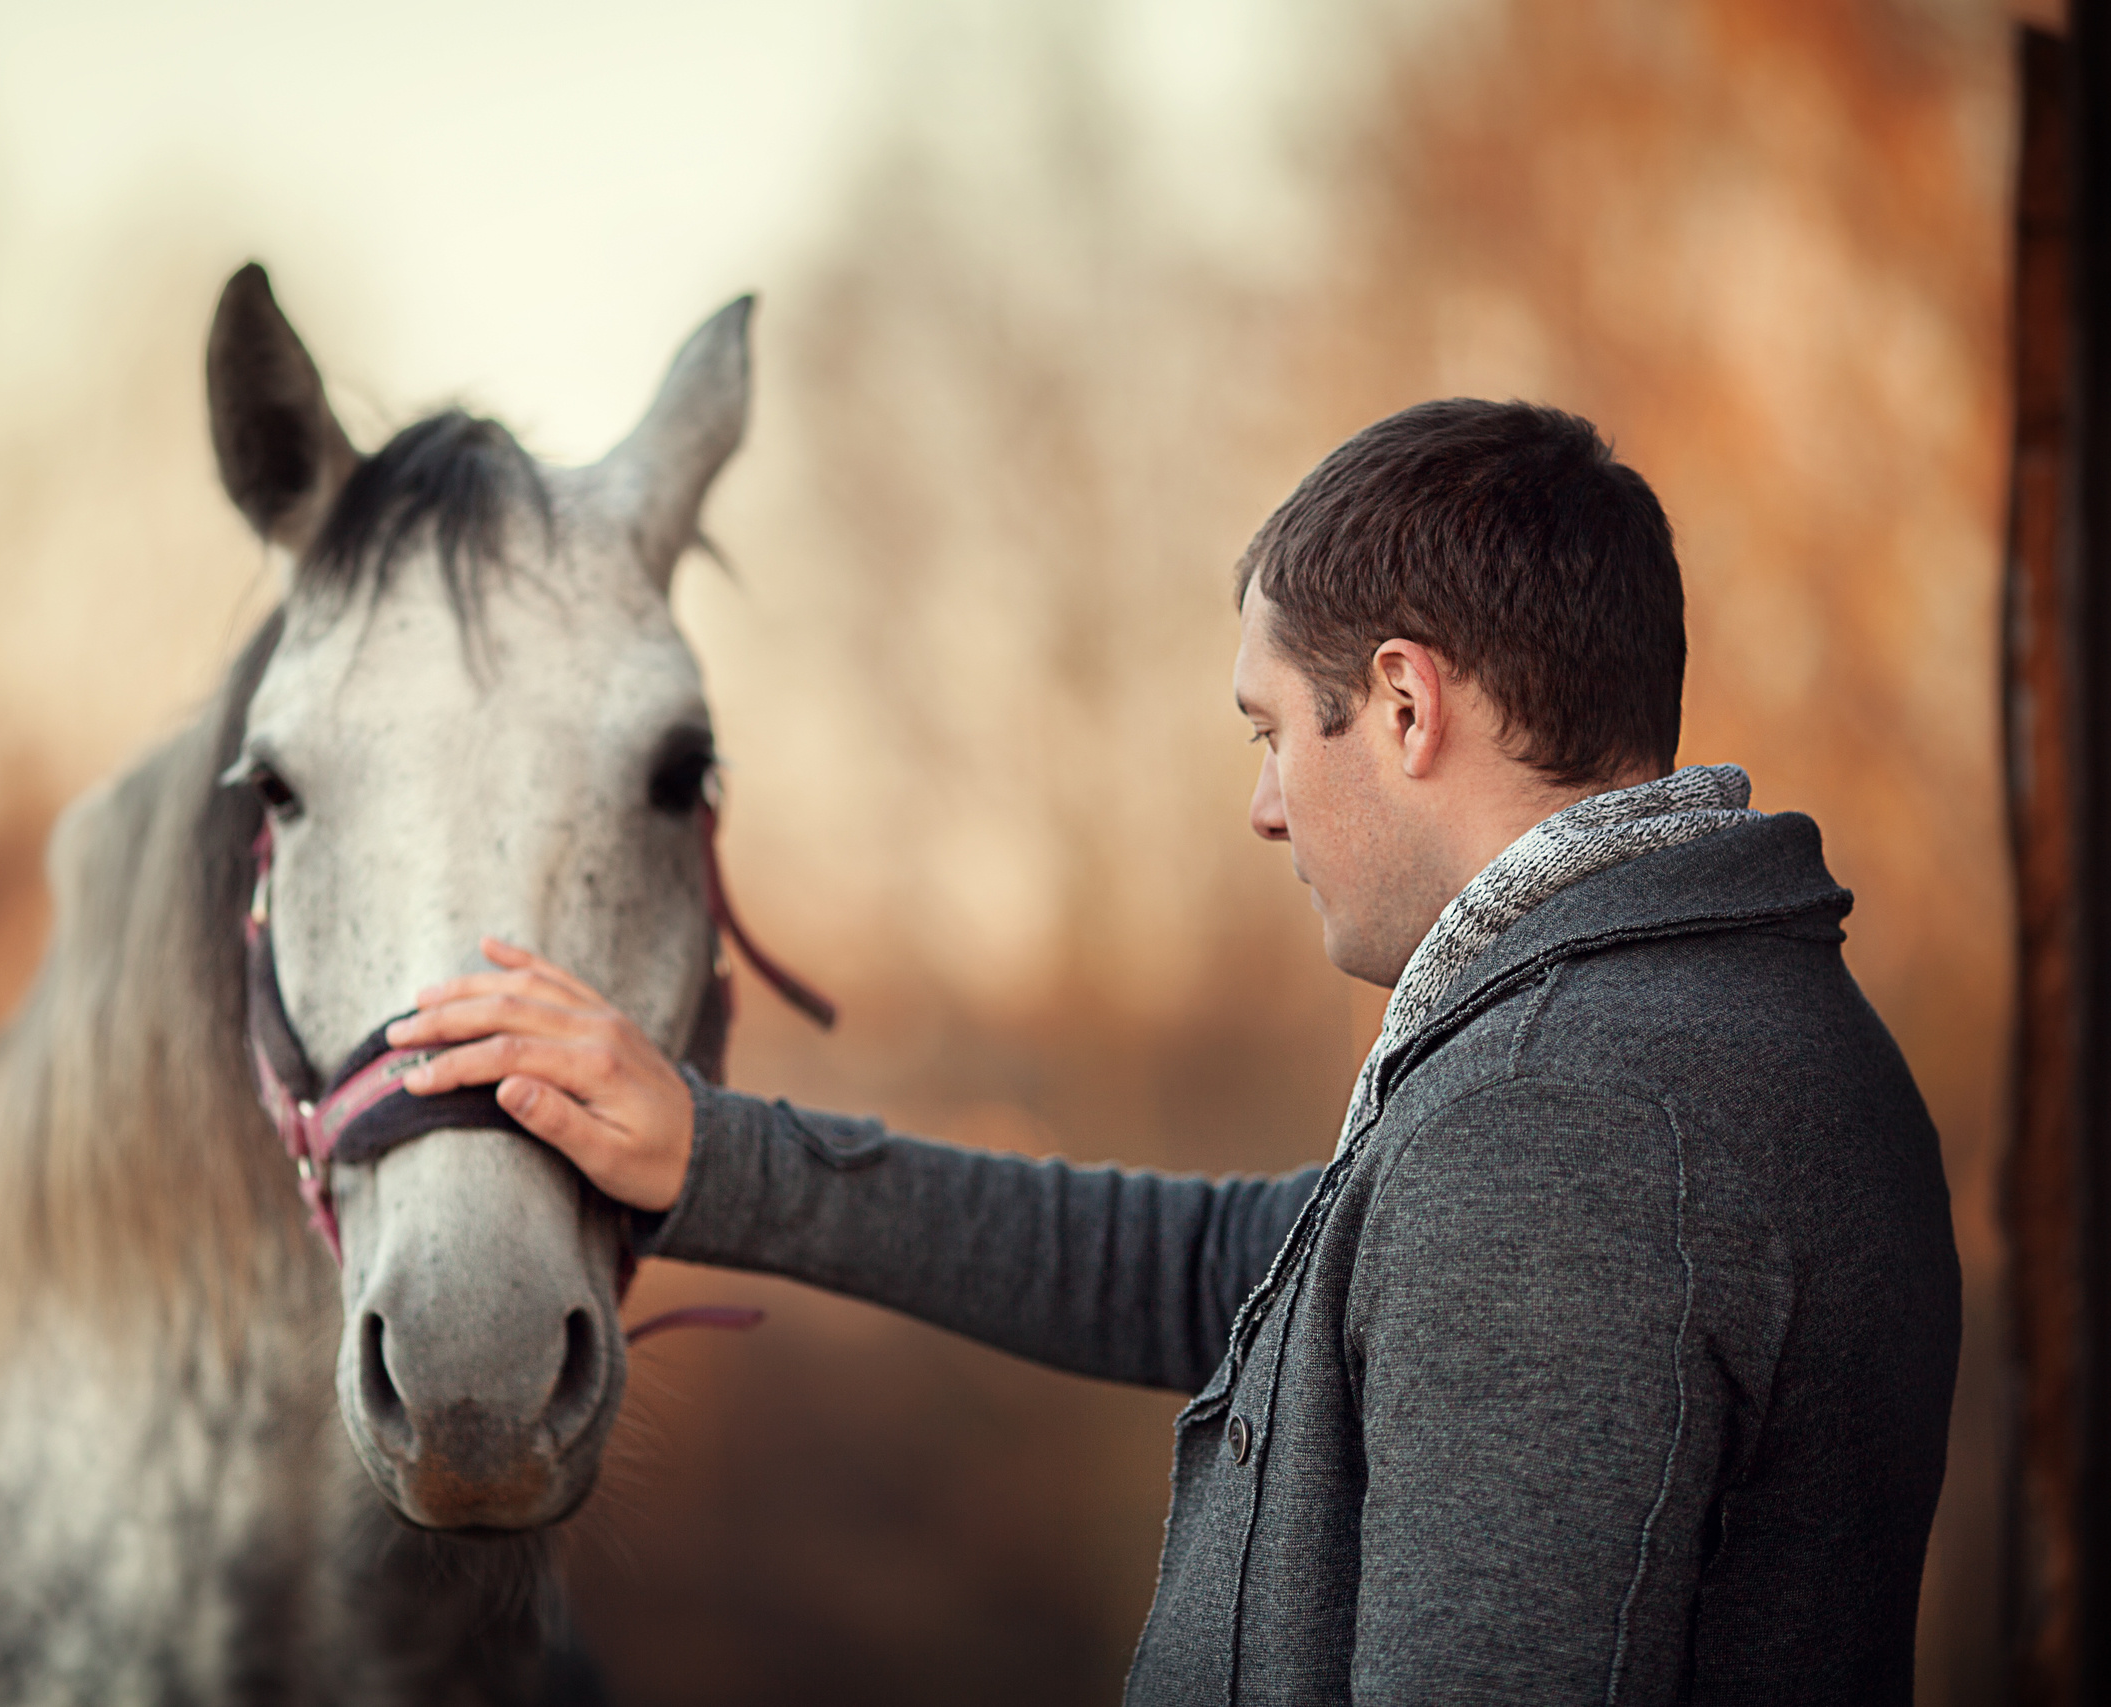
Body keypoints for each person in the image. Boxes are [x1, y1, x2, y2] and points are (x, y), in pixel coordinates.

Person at [388, 399, 1960, 1705]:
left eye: (1269, 730)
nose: (1263, 806)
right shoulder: (1723, 1031)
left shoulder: (1566, 1125)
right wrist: (713, 1156)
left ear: (1403, 706)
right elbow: (1202, 1270)